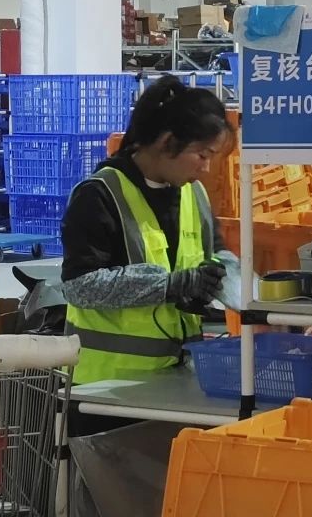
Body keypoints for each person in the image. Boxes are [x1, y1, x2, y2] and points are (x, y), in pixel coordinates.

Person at [61, 75, 238, 386]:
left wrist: (222, 282)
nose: (206, 168)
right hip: (104, 387)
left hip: (175, 377)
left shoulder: (193, 194)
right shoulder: (100, 194)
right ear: (167, 142)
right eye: (202, 155)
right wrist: (170, 285)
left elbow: (215, 253)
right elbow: (80, 287)